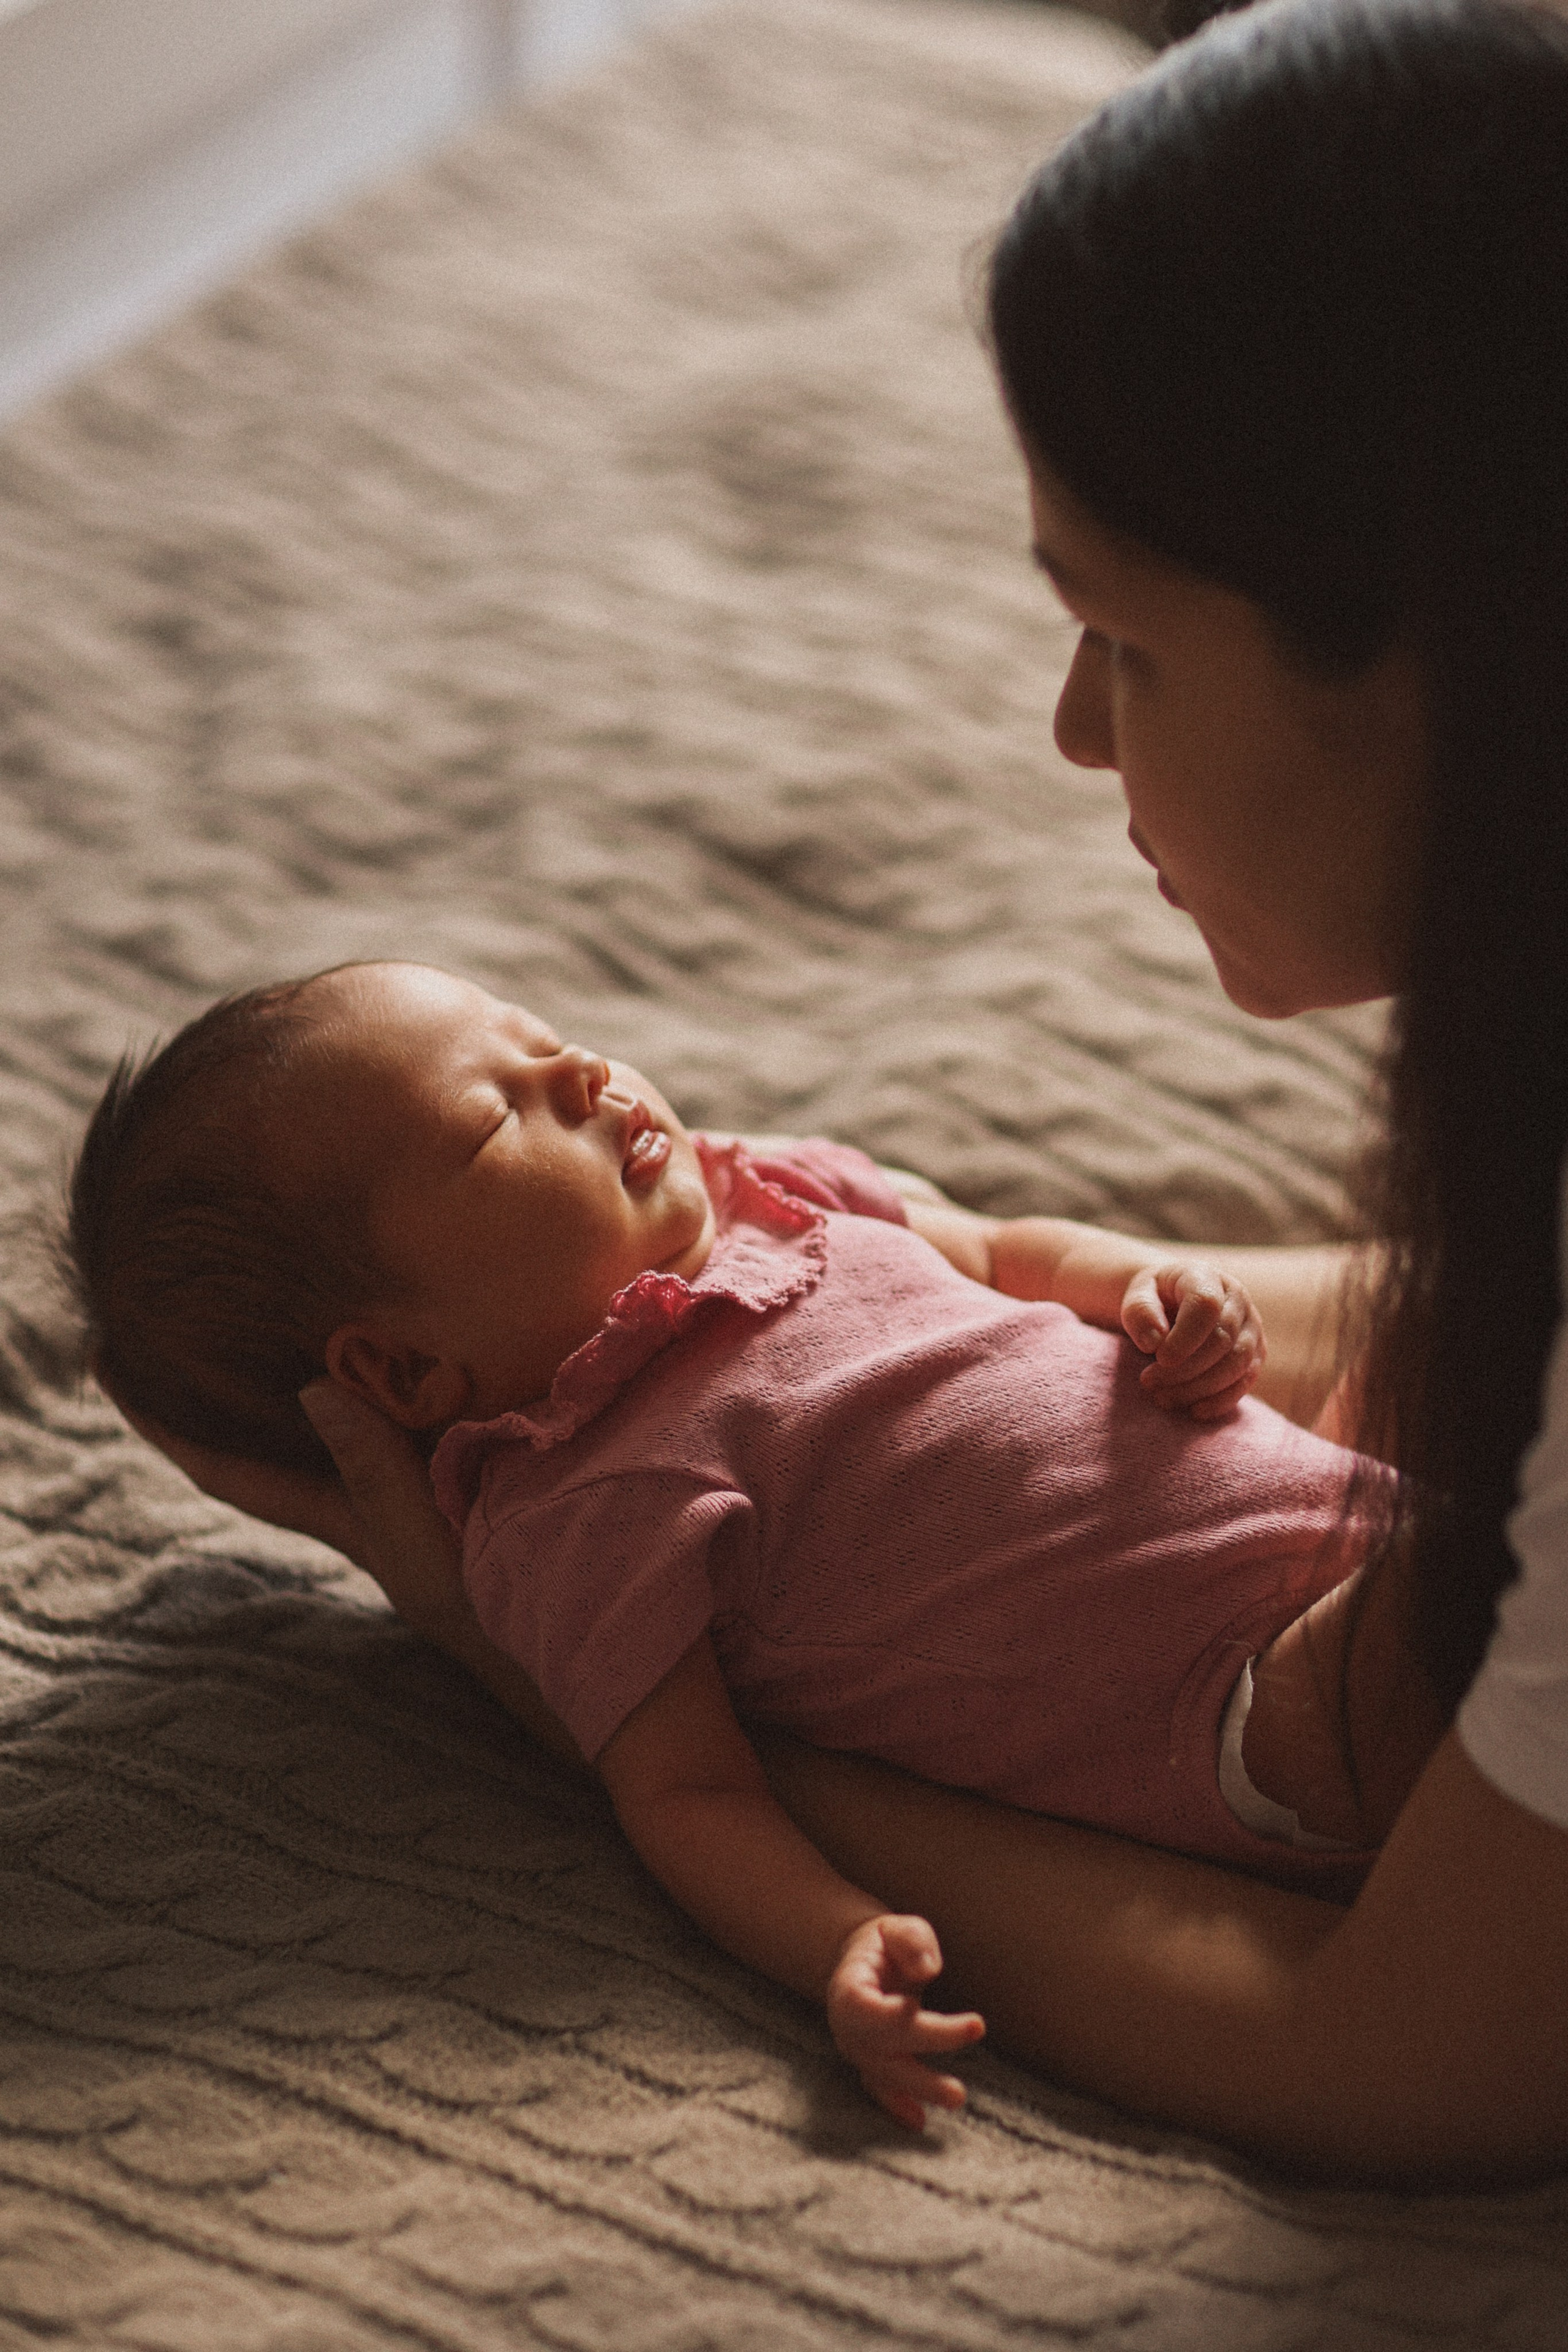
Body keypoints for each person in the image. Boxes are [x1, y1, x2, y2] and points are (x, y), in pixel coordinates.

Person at [115, 0, 1568, 2184]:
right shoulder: (606, 1487)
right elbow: (1413, 1298)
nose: (1078, 738)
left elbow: (1416, 2056)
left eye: (1127, 638)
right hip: (1256, 1670)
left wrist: (532, 1688)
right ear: (393, 1354)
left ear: (1456, 640)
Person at [70, 958, 1431, 2127]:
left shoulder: (775, 1193)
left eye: (550, 1041)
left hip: (1353, 1506)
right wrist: (831, 1936)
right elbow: (685, 1794)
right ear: (407, 1373)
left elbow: (1004, 1248)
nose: (588, 1076)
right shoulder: (574, 1505)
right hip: (1259, 1692)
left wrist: (1149, 1291)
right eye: (502, 1117)